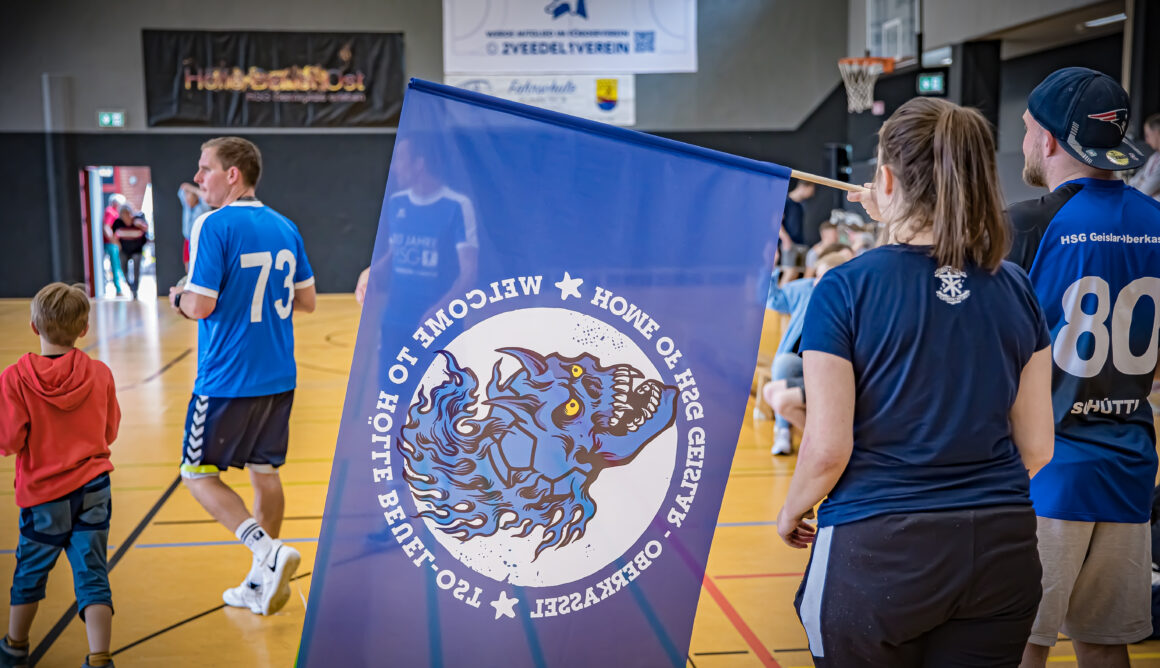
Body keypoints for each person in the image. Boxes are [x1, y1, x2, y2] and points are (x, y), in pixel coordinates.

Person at [778, 97, 1055, 666]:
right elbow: (1038, 446)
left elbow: (828, 448)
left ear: (884, 177)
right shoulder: (1015, 287)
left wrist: (790, 511)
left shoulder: (844, 288)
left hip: (879, 553)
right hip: (1001, 551)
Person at [1007, 67, 1160, 668]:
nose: (1024, 143)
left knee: (1020, 643)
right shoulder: (1156, 221)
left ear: (1048, 139)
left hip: (1045, 476)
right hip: (1127, 470)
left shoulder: (1026, 225)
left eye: (1025, 129)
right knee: (1102, 645)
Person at [168, 136, 316, 617]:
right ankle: (260, 583)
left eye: (205, 168)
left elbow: (201, 304)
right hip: (278, 375)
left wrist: (178, 298)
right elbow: (307, 301)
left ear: (233, 174)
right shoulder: (286, 225)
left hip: (227, 378)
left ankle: (265, 551)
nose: (199, 177)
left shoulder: (213, 225)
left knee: (195, 474)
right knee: (265, 473)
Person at [0, 283, 120, 668]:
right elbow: (110, 430)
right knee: (93, 574)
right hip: (94, 489)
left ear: (34, 327)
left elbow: (8, 440)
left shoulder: (15, 378)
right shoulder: (100, 373)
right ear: (83, 329)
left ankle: (15, 647)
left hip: (43, 496)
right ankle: (100, 657)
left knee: (30, 573)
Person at [762, 248, 853, 455]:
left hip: (832, 370)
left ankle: (823, 445)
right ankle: (785, 433)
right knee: (780, 370)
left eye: (823, 276)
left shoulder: (847, 303)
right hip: (801, 361)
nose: (816, 281)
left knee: (783, 389)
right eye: (817, 275)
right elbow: (773, 300)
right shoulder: (805, 289)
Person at [776, 180, 816, 285]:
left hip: (798, 243)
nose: (812, 194)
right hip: (789, 243)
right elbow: (776, 222)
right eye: (811, 190)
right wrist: (785, 239)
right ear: (803, 187)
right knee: (789, 272)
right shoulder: (786, 201)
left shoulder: (799, 206)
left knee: (796, 273)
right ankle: (779, 299)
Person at [111, 204, 148, 299]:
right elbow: (114, 236)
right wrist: (118, 245)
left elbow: (146, 229)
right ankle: (131, 286)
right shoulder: (118, 223)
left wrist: (138, 223)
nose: (126, 216)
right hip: (124, 250)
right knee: (123, 270)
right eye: (124, 214)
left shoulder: (138, 220)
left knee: (136, 269)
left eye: (128, 214)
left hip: (137, 250)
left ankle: (135, 289)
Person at [178, 182, 211, 271]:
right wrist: (187, 190)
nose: (186, 198)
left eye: (189, 195)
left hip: (199, 241)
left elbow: (204, 196)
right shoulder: (187, 207)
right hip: (188, 240)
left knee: (199, 267)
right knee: (187, 268)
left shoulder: (204, 207)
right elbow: (182, 188)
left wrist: (192, 189)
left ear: (196, 196)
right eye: (186, 196)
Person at [1127, 113, 1160, 200]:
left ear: (1157, 133)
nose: (1146, 140)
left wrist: (1142, 181)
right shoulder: (1154, 157)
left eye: (1148, 135)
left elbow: (1145, 191)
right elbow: (1132, 182)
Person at [101, 194, 129, 297]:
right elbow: (106, 227)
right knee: (116, 266)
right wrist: (114, 241)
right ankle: (118, 289)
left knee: (118, 266)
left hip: (113, 243)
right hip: (110, 244)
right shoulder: (110, 211)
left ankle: (120, 288)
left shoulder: (114, 212)